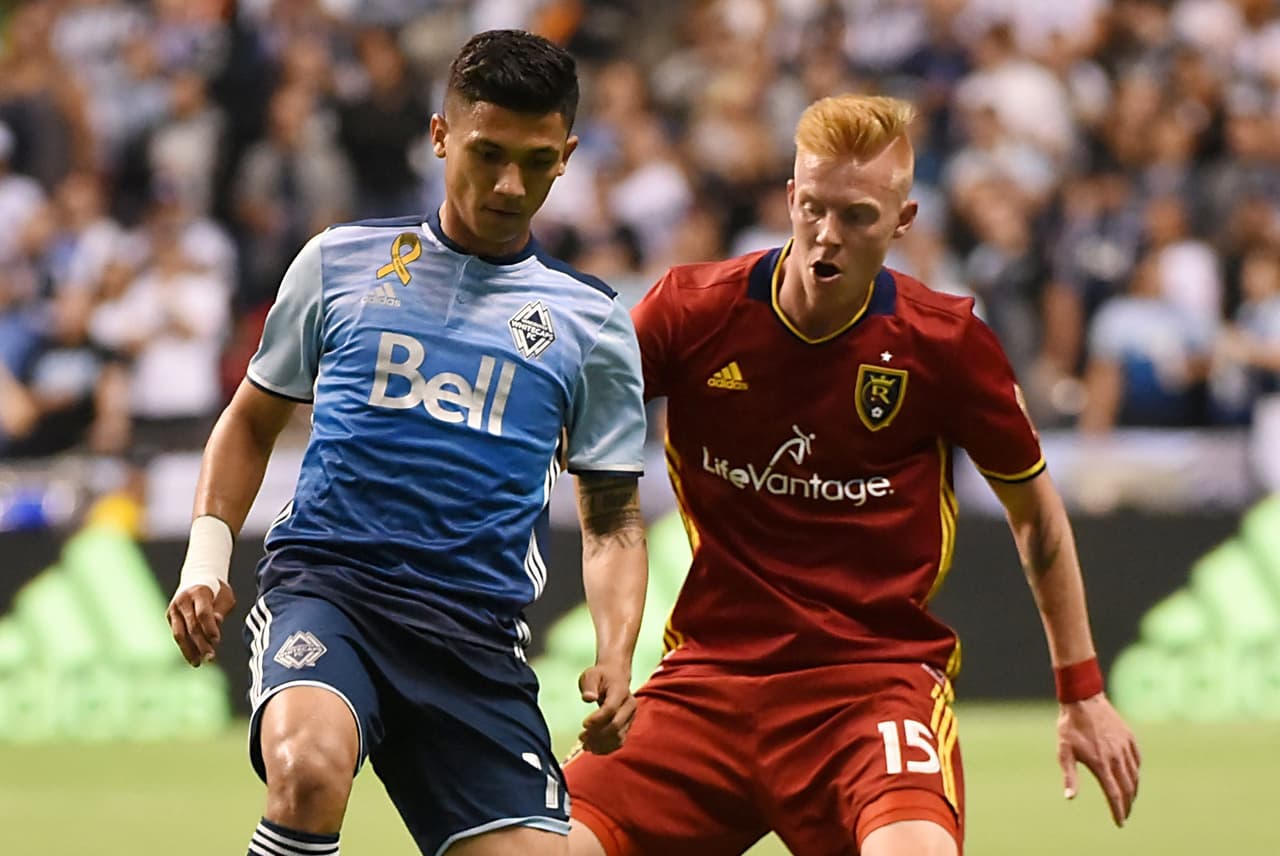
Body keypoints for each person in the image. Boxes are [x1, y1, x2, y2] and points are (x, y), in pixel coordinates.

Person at [564, 94, 1140, 856]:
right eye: (814, 209)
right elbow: (582, 439)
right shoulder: (689, 314)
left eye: (858, 217)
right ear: (791, 198)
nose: (825, 237)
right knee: (536, 847)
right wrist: (616, 648)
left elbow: (1036, 515)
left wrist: (1082, 689)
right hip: (708, 684)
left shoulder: (948, 343)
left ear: (902, 223)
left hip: (872, 687)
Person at [166, 30, 649, 856]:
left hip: (473, 637)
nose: (507, 184)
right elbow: (249, 421)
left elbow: (611, 518)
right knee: (309, 771)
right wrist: (206, 559)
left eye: (535, 161)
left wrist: (615, 652)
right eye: (486, 152)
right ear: (439, 136)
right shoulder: (339, 263)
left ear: (567, 154)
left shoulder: (592, 322)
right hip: (334, 590)